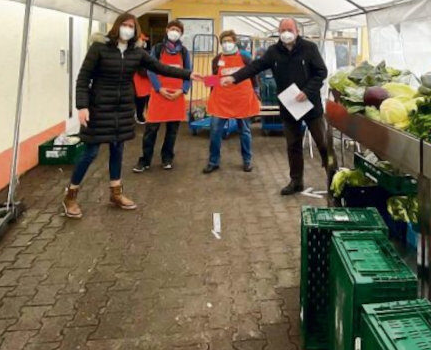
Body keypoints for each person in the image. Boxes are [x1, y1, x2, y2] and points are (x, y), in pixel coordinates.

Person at [63, 13, 196, 218]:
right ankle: (70, 196)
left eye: (131, 26)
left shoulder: (136, 52)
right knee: (90, 153)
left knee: (118, 149)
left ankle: (116, 193)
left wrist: (187, 75)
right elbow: (83, 79)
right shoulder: (99, 48)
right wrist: (82, 106)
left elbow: (160, 67)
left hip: (123, 108)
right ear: (117, 27)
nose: (127, 29)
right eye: (124, 25)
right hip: (99, 107)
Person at [221, 18, 334, 195]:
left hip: (310, 106)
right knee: (293, 145)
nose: (286, 33)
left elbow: (321, 72)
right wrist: (234, 78)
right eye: (282, 30)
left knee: (323, 144)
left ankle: (333, 179)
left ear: (297, 31)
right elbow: (255, 66)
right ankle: (296, 181)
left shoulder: (309, 48)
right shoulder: (273, 51)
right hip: (288, 106)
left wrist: (307, 91)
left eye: (289, 29)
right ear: (278, 32)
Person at [133, 20, 192, 172]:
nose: (174, 32)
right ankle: (145, 160)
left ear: (181, 34)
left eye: (177, 30)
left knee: (172, 131)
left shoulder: (184, 52)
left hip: (177, 96)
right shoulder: (158, 49)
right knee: (151, 130)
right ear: (166, 30)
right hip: (159, 95)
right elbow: (151, 70)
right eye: (172, 29)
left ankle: (167, 158)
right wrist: (159, 88)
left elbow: (188, 72)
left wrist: (183, 90)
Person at [202, 30, 260, 174]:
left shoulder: (245, 57)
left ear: (234, 42)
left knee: (245, 131)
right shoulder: (216, 60)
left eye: (229, 40)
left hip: (242, 99)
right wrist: (205, 81)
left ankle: (247, 161)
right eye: (224, 41)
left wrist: (257, 92)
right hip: (221, 100)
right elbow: (215, 79)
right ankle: (213, 161)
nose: (226, 44)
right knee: (215, 131)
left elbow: (253, 74)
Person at [133, 33, 152, 124]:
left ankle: (143, 115)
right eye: (143, 40)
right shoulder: (137, 53)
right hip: (140, 79)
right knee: (140, 99)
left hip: (145, 80)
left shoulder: (143, 52)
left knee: (145, 98)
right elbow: (141, 69)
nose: (145, 42)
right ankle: (139, 116)